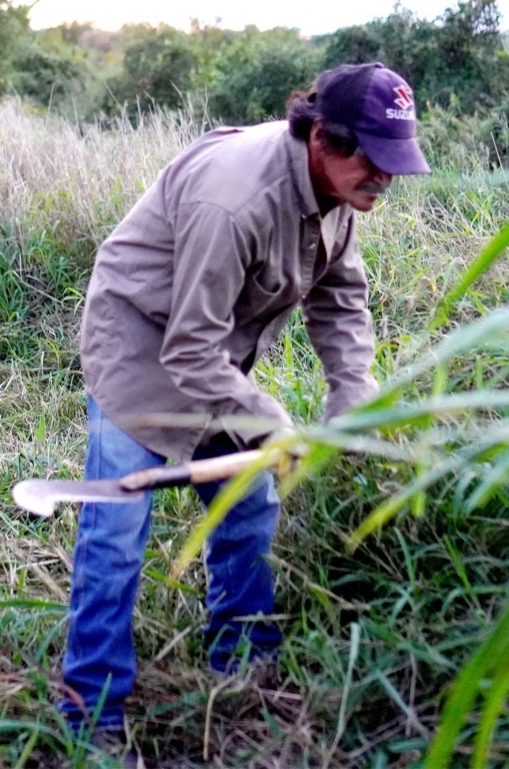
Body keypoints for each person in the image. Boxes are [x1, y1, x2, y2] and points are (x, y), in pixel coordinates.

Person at [60, 63, 431, 739]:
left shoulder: (338, 192)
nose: (385, 178)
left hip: (214, 359)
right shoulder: (234, 199)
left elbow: (341, 300)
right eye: (373, 159)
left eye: (394, 161)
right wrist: (273, 426)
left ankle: (243, 671)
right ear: (323, 136)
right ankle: (91, 717)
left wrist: (354, 399)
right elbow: (186, 348)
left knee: (249, 508)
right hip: (140, 346)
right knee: (114, 537)